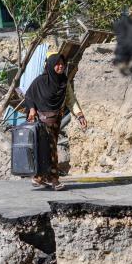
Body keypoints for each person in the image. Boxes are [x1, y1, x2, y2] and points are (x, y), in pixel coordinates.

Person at [24, 53, 87, 190]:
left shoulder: (64, 82)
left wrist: (80, 115)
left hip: (56, 121)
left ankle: (40, 177)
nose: (60, 66)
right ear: (51, 65)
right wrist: (32, 110)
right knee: (50, 149)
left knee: (46, 149)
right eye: (57, 64)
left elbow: (71, 100)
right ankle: (53, 179)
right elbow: (29, 96)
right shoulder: (40, 81)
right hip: (42, 122)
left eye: (62, 64)